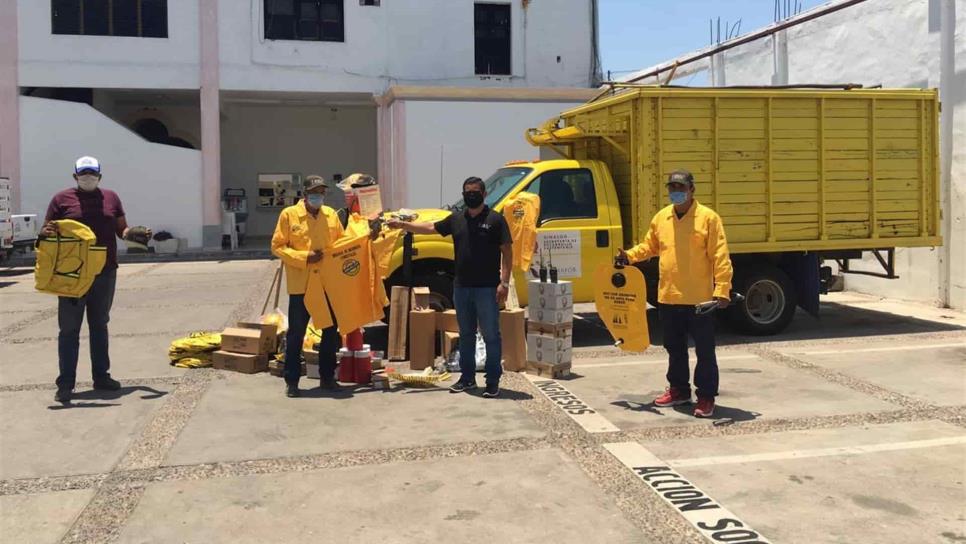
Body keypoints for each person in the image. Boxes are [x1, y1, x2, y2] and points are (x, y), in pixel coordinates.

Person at [617, 169, 733, 418]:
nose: (676, 193)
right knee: (674, 348)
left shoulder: (708, 219)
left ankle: (705, 397)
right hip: (669, 296)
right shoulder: (662, 218)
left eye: (681, 188)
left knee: (704, 351)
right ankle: (679, 390)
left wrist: (722, 289)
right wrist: (628, 256)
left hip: (700, 300)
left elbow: (720, 256)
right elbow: (649, 246)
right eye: (672, 188)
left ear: (692, 190)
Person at [387, 177, 512, 398]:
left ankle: (492, 380)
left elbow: (507, 252)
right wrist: (404, 225)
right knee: (465, 335)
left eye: (474, 192)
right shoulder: (456, 219)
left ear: (483, 195)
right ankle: (467, 379)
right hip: (461, 288)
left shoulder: (496, 220)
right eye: (467, 192)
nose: (470, 195)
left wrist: (504, 283)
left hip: (487, 289)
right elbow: (429, 227)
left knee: (491, 335)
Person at [41, 156, 148, 403]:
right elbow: (47, 230)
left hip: (105, 271)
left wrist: (136, 234)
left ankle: (102, 376)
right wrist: (45, 231)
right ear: (75, 176)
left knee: (99, 325)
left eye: (92, 173)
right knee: (69, 329)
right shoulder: (61, 200)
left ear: (100, 176)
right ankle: (66, 384)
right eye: (83, 173)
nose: (88, 177)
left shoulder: (111, 198)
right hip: (72, 274)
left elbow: (122, 230)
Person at [271, 175, 344, 398]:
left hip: (326, 284)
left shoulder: (331, 215)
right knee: (296, 334)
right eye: (314, 192)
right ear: (304, 194)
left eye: (321, 192)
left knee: (330, 332)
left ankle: (327, 376)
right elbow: (277, 246)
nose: (318, 196)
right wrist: (304, 257)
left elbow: (342, 244)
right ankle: (292, 380)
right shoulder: (289, 215)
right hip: (300, 285)